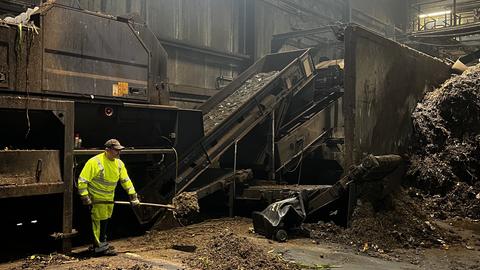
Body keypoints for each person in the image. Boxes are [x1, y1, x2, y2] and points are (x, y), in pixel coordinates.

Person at [77, 139, 140, 256]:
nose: (118, 153)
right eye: (116, 150)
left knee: (105, 220)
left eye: (119, 150)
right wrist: (85, 197)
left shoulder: (119, 164)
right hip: (97, 198)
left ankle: (102, 243)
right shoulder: (95, 162)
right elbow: (82, 181)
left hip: (109, 198)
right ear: (107, 150)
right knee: (98, 222)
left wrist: (133, 197)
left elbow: (126, 181)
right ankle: (99, 247)